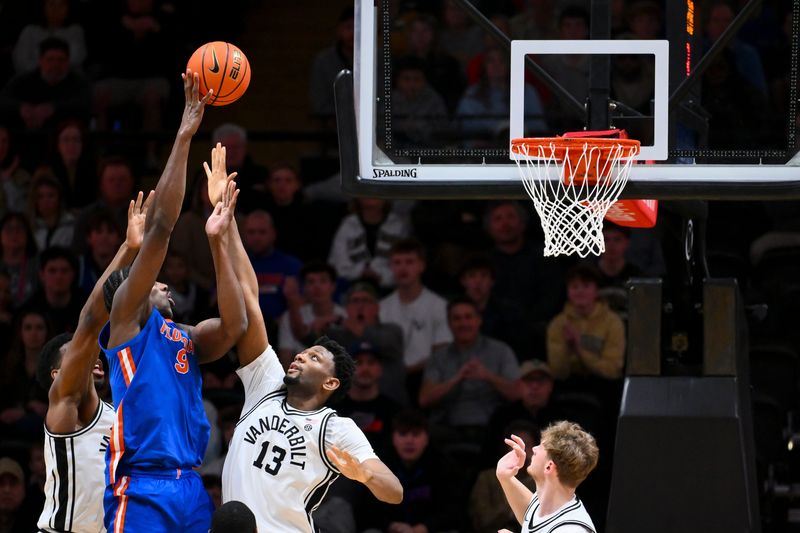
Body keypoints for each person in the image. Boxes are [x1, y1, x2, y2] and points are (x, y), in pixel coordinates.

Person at [197, 142, 402, 532]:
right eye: (304, 352)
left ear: (331, 381)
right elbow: (249, 297)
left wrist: (363, 472)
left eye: (313, 358)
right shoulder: (266, 384)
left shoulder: (335, 427)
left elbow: (394, 492)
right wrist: (227, 218)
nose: (299, 357)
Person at [98, 71, 247, 532]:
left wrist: (220, 241)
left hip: (191, 486)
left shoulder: (182, 336)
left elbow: (234, 324)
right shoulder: (126, 323)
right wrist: (186, 131)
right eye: (152, 280)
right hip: (142, 485)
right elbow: (161, 227)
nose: (164, 283)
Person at [34, 190, 149, 533]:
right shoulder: (67, 404)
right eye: (76, 353)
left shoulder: (118, 415)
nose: (90, 353)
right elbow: (90, 321)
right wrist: (128, 249)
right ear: (58, 375)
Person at [495, 421, 599, 533]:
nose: (534, 449)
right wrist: (505, 477)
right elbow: (530, 516)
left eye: (541, 446)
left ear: (549, 467)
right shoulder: (546, 504)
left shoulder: (571, 530)